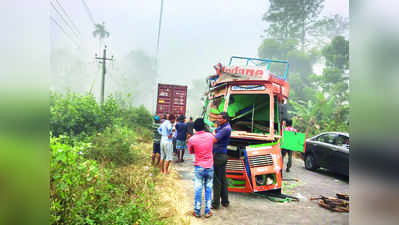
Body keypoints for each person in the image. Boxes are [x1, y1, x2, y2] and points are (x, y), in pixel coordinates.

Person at [188, 118, 216, 218]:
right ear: (204, 126)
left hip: (199, 167)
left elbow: (191, 151)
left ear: (194, 128)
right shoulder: (210, 136)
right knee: (208, 189)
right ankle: (207, 211)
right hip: (209, 166)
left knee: (198, 189)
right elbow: (215, 140)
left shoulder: (192, 139)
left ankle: (197, 211)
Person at [211, 112, 231, 209]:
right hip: (222, 155)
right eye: (217, 118)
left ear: (225, 119)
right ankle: (225, 201)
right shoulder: (223, 126)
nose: (217, 119)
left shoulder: (225, 129)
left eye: (219, 118)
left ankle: (215, 204)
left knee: (217, 181)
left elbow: (214, 139)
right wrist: (214, 132)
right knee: (223, 179)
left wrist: (213, 134)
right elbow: (215, 131)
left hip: (219, 156)